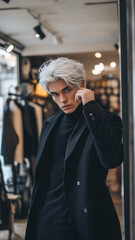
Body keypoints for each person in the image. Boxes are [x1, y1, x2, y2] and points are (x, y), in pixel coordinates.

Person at [25, 57, 123, 240]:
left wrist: (91, 107)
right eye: (54, 94)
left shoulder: (105, 120)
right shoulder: (50, 123)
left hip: (85, 221)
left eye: (67, 90)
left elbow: (112, 159)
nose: (62, 100)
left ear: (82, 84)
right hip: (46, 220)